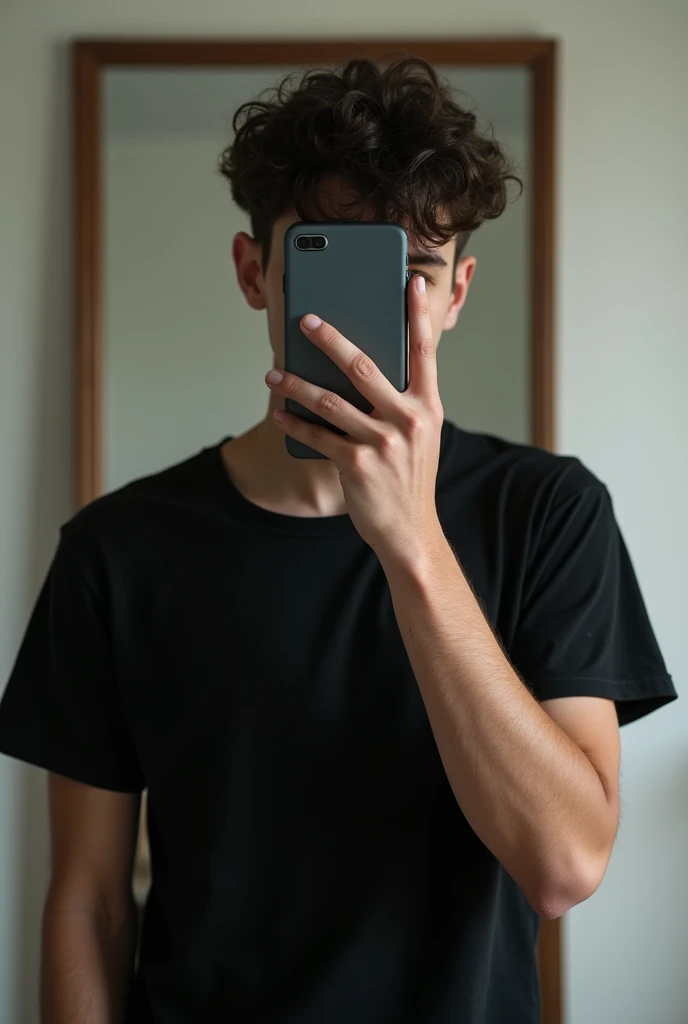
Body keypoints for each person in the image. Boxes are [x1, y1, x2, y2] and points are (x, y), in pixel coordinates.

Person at [0, 56, 677, 1024]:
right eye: (330, 260)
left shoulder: (547, 513)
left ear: (455, 295)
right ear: (253, 272)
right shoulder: (119, 549)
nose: (377, 310)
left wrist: (410, 542)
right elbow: (88, 901)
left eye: (413, 274)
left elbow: (564, 864)